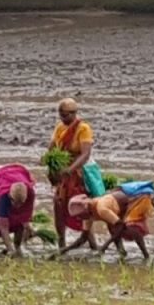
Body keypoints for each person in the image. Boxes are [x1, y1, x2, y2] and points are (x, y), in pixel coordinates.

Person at [47, 98, 95, 250]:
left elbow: (85, 154)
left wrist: (71, 169)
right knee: (59, 205)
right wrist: (51, 165)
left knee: (81, 208)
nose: (63, 118)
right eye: (61, 115)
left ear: (74, 114)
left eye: (66, 115)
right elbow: (52, 148)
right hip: (63, 174)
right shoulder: (60, 128)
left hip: (78, 173)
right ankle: (61, 243)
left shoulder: (83, 128)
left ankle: (91, 243)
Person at [66, 184, 154, 260]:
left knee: (130, 228)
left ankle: (146, 256)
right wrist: (63, 251)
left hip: (136, 198)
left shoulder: (101, 209)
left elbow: (121, 226)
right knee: (112, 227)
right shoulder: (87, 215)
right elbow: (83, 238)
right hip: (119, 206)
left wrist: (104, 247)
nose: (81, 219)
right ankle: (122, 252)